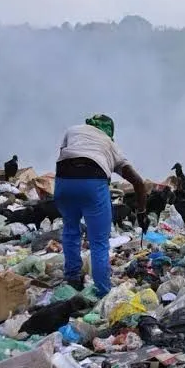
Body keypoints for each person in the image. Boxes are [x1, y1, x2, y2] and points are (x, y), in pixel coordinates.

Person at [54, 114, 149, 297]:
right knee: (98, 241)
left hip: (63, 182)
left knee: (71, 229)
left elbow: (66, 155)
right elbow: (138, 183)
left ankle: (72, 278)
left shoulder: (72, 130)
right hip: (93, 182)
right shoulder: (110, 145)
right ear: (110, 131)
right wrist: (142, 211)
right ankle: (102, 291)